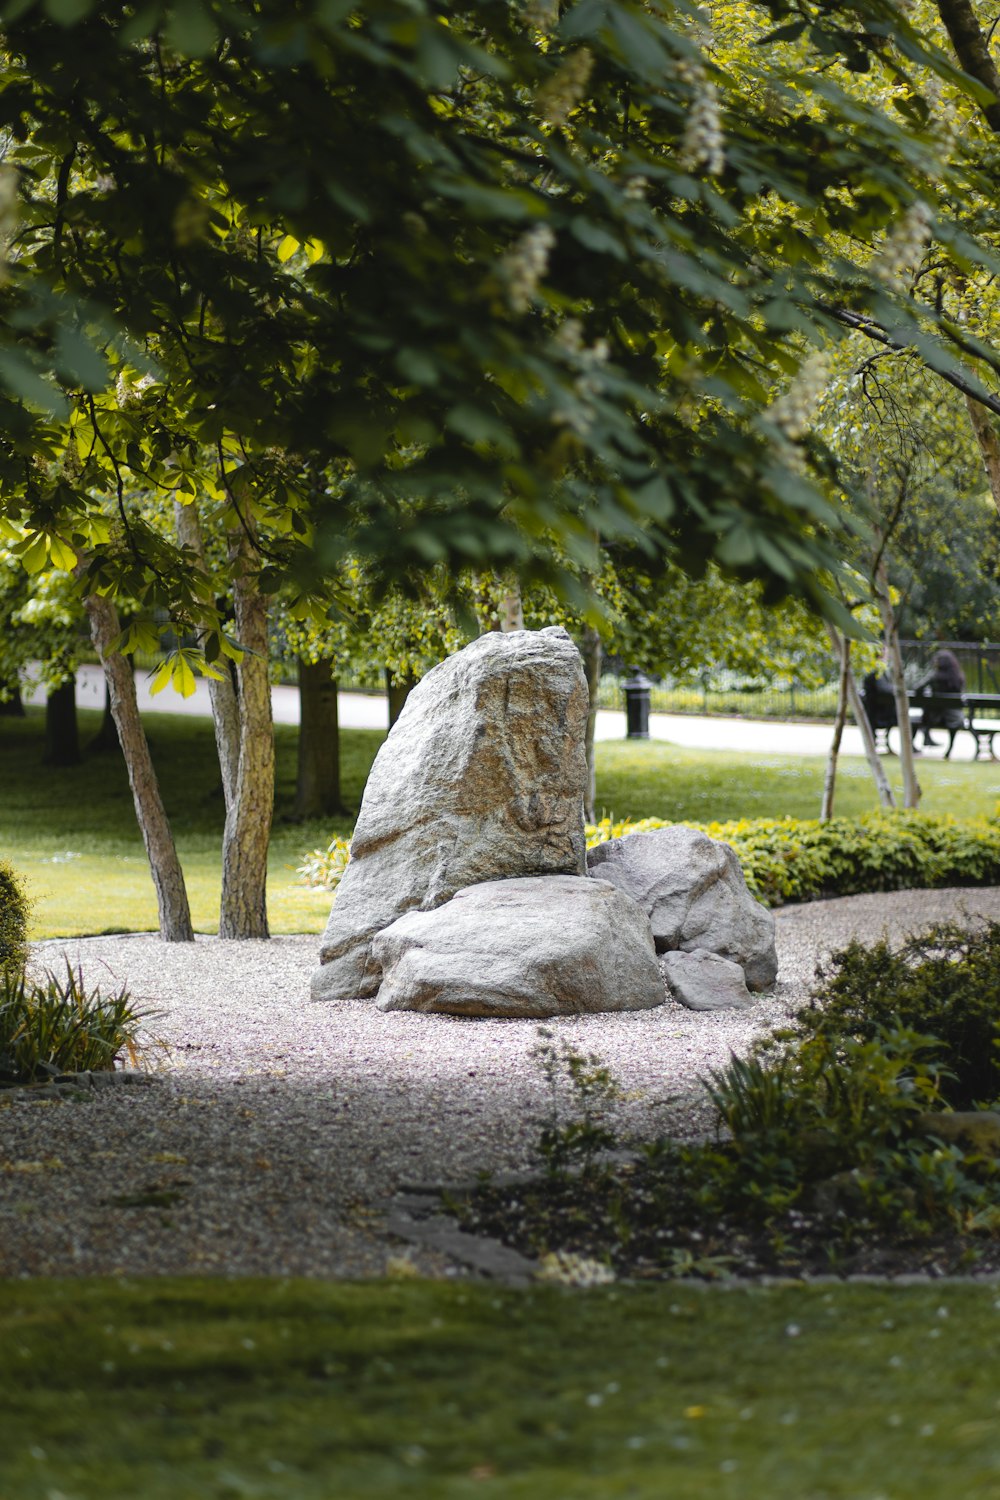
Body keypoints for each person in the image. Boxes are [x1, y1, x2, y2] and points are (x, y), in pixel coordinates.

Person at [913, 649, 966, 750]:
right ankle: (939, 744)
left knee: (927, 708)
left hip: (934, 717)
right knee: (930, 707)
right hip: (954, 717)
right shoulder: (959, 677)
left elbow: (917, 688)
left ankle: (924, 737)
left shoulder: (935, 676)